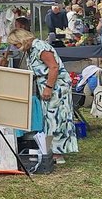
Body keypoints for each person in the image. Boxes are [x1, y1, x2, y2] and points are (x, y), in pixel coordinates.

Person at [8, 28, 78, 172]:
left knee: (57, 118)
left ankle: (58, 153)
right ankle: (53, 150)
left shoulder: (40, 47)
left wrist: (48, 87)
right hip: (47, 85)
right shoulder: (30, 50)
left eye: (16, 44)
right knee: (50, 118)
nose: (15, 47)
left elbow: (53, 67)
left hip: (56, 86)